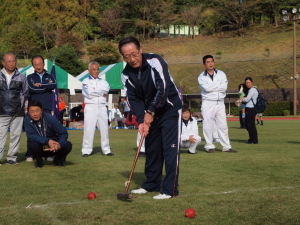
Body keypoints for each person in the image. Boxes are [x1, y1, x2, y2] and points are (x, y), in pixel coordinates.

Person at [119, 36, 182, 199]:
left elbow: (164, 88)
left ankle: (170, 189)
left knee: (170, 150)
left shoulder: (155, 61)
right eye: (127, 57)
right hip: (149, 114)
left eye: (134, 54)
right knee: (153, 150)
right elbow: (133, 99)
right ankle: (151, 184)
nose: (132, 59)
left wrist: (151, 111)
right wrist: (141, 120)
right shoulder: (125, 74)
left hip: (170, 109)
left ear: (140, 50)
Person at [198, 55, 236, 153]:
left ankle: (226, 147)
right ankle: (209, 146)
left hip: (220, 103)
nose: (210, 63)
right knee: (208, 125)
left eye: (212, 61)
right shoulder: (201, 76)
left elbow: (224, 87)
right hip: (208, 103)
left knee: (223, 125)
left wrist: (212, 87)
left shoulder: (221, 74)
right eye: (208, 62)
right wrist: (217, 86)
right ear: (204, 64)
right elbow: (206, 89)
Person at [25, 55, 57, 161]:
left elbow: (53, 85)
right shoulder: (29, 77)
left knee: (47, 131)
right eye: (36, 64)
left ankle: (47, 154)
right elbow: (32, 88)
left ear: (44, 64)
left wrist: (40, 85)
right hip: (33, 107)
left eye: (40, 64)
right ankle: (30, 154)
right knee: (32, 131)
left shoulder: (50, 76)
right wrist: (46, 87)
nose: (38, 66)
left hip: (46, 107)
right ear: (33, 66)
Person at [24, 100, 72, 168]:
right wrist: (48, 141)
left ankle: (58, 160)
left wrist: (59, 144)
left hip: (53, 147)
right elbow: (31, 135)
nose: (35, 114)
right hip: (40, 147)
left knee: (68, 145)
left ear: (42, 110)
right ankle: (39, 162)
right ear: (28, 112)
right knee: (33, 144)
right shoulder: (27, 120)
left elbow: (63, 133)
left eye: (37, 111)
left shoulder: (50, 118)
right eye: (32, 111)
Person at [0, 52, 28, 165]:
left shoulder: (22, 77)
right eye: (9, 61)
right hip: (1, 112)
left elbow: (25, 94)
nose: (12, 63)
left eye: (13, 61)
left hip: (18, 112)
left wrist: (22, 109)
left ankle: (12, 158)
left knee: (16, 136)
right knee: (0, 136)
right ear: (3, 63)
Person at [81, 61, 114, 157]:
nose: (96, 71)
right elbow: (89, 93)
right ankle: (86, 150)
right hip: (91, 106)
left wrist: (95, 91)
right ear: (89, 70)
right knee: (88, 129)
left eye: (97, 69)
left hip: (102, 106)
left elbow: (106, 89)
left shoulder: (103, 81)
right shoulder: (85, 81)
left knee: (104, 129)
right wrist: (100, 92)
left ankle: (106, 149)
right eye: (94, 69)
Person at [240, 77, 258, 144]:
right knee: (248, 125)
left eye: (249, 82)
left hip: (251, 108)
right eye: (246, 83)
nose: (248, 84)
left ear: (252, 82)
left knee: (251, 125)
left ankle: (254, 140)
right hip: (249, 108)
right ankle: (251, 139)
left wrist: (241, 99)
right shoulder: (250, 90)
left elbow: (247, 99)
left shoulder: (252, 90)